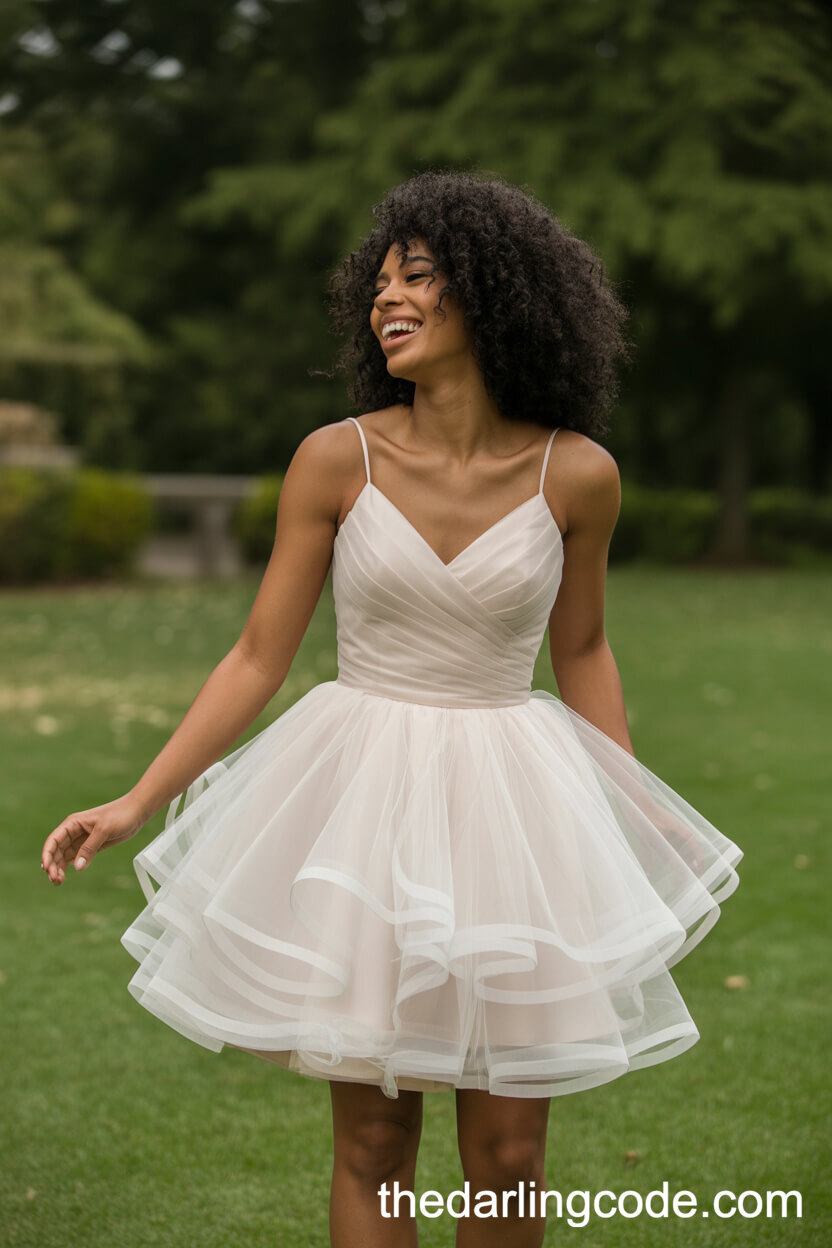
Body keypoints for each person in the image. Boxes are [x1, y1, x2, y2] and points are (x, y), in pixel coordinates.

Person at [41, 168, 742, 1248]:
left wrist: (633, 802)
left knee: (509, 1157)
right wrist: (137, 800)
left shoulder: (578, 476)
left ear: (495, 293)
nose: (386, 298)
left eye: (416, 276)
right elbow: (256, 657)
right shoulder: (336, 459)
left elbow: (582, 649)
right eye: (378, 284)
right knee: (374, 1146)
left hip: (515, 817)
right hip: (360, 810)